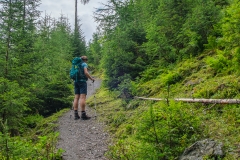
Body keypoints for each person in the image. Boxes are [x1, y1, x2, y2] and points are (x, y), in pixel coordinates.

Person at [73, 56, 95, 120]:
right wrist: (91, 78)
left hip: (76, 82)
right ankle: (83, 114)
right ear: (85, 60)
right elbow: (86, 72)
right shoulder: (84, 64)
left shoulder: (76, 64)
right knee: (82, 97)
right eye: (86, 60)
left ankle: (76, 114)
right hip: (82, 82)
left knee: (76, 97)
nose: (86, 61)